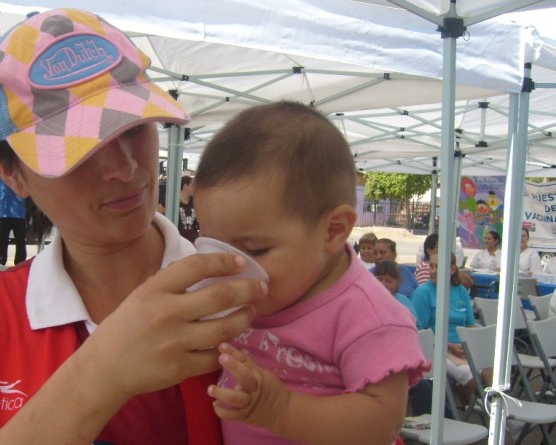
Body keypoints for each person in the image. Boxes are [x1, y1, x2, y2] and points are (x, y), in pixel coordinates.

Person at [0, 9, 263, 444]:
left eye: (133, 128)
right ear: (11, 173)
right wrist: (102, 374)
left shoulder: (239, 289)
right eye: (79, 148)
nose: (125, 169)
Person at [195, 101, 427, 444]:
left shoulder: (369, 317)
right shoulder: (259, 291)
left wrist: (280, 410)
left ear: (333, 230)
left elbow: (383, 424)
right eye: (218, 247)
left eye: (256, 250)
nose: (234, 268)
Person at [411, 253, 490, 406]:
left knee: (491, 368)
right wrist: (449, 345)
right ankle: (473, 409)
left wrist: (474, 345)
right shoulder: (423, 293)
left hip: (463, 346)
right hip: (438, 349)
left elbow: (470, 324)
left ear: (452, 269)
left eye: (438, 267)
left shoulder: (460, 291)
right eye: (431, 266)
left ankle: (496, 415)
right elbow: (422, 333)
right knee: (471, 376)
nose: (432, 271)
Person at [0, 176, 27, 265]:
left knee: (2, 240)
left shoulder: (0, 179)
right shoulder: (21, 178)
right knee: (20, 241)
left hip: (4, 214)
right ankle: (20, 262)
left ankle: (0, 261)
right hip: (19, 214)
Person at [373, 259, 419, 325]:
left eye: (389, 281)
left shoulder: (404, 302)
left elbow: (416, 327)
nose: (383, 284)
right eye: (379, 279)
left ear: (399, 283)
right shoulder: (367, 302)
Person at [178, 175, 200, 243]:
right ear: (185, 185)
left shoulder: (195, 203)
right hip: (179, 240)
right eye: (192, 185)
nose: (194, 188)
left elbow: (200, 223)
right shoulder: (174, 202)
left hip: (193, 240)